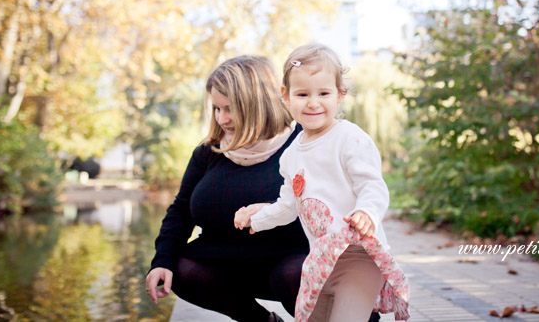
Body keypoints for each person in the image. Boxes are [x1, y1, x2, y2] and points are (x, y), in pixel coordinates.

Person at [145, 55, 380, 322]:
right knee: (179, 266)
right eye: (216, 109)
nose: (222, 119)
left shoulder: (306, 143)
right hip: (227, 262)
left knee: (296, 273)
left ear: (256, 104)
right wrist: (161, 261)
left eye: (229, 108)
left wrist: (274, 211)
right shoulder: (208, 152)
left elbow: (341, 206)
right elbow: (180, 210)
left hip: (292, 262)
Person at [235, 44, 410, 322]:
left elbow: (372, 186)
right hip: (320, 260)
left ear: (340, 94)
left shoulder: (349, 138)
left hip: (359, 256)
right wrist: (257, 220)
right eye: (302, 94)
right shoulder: (291, 155)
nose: (313, 102)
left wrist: (367, 212)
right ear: (286, 96)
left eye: (324, 93)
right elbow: (288, 206)